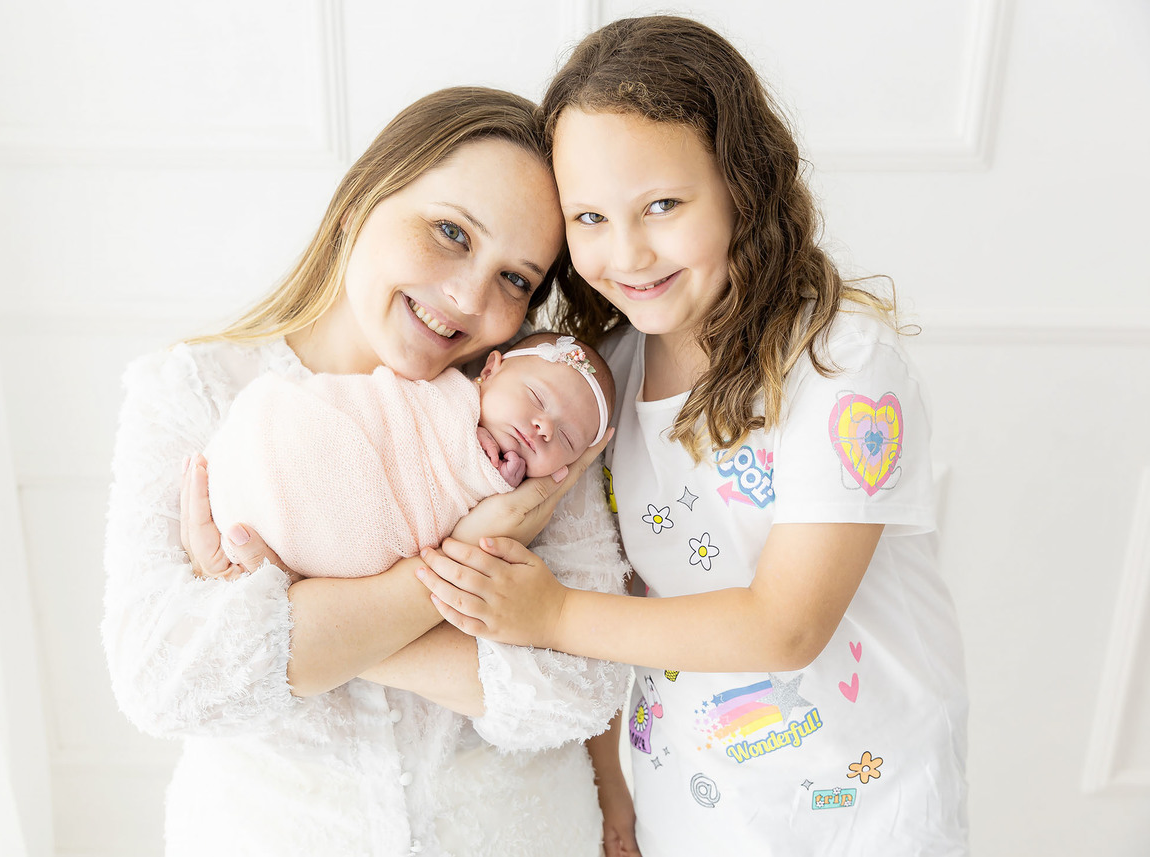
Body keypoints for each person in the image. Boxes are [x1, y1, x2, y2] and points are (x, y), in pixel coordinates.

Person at [414, 17, 969, 857]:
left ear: (743, 183)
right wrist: (612, 793)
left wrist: (551, 613)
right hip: (696, 813)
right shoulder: (598, 385)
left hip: (869, 816)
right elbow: (607, 582)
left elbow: (785, 627)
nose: (628, 252)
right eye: (590, 217)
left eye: (663, 206)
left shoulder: (842, 367)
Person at [102, 86, 630, 857]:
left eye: (516, 279)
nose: (469, 296)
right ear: (360, 202)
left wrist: (294, 606)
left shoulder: (535, 416)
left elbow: (583, 688)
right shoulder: (195, 391)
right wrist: (460, 561)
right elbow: (164, 679)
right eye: (451, 231)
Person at [203, 332, 615, 579]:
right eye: (536, 397)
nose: (543, 427)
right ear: (489, 370)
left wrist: (489, 479)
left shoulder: (521, 507)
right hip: (300, 437)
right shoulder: (439, 394)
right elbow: (390, 412)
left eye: (565, 438)